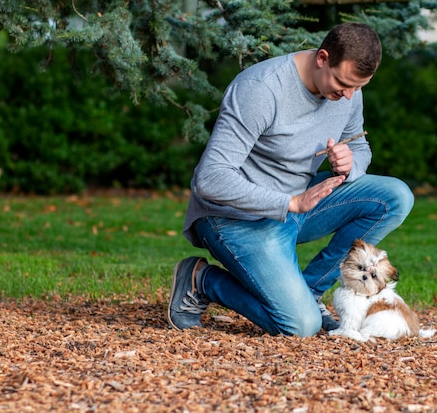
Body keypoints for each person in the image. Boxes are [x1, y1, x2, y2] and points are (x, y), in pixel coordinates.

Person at [167, 22, 414, 337]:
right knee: (299, 326)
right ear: (322, 58)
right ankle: (201, 280)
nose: (349, 95)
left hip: (299, 204)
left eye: (358, 87)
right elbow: (210, 178)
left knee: (396, 196)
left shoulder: (349, 91)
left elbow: (359, 145)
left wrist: (350, 164)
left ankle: (309, 291)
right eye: (342, 83)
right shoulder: (261, 88)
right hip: (235, 217)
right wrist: (290, 202)